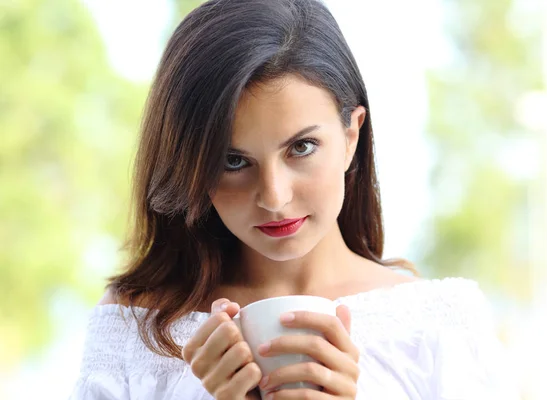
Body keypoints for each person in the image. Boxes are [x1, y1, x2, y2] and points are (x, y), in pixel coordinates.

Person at [70, 0, 517, 399]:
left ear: (350, 136)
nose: (274, 197)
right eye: (232, 161)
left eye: (301, 147)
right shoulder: (136, 328)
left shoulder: (440, 326)